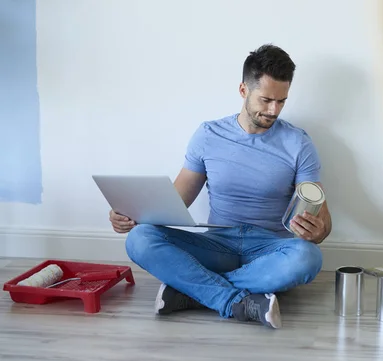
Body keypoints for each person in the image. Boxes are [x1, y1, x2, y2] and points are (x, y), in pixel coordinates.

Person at [108, 44, 332, 329]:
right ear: (243, 90)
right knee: (139, 238)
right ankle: (235, 301)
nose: (274, 110)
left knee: (308, 257)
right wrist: (129, 214)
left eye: (281, 101)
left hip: (270, 248)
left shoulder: (299, 143)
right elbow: (177, 201)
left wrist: (319, 229)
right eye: (266, 100)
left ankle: (193, 291)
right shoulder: (208, 135)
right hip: (217, 243)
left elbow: (322, 217)